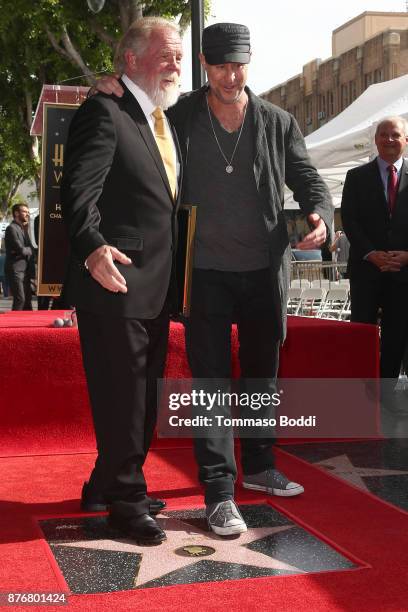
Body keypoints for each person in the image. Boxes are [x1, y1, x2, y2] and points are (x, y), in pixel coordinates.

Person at [94, 22, 333, 536]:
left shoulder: (276, 121)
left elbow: (308, 177)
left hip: (264, 273)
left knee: (261, 377)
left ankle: (263, 466)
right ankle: (219, 491)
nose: (232, 75)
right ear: (205, 66)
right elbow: (129, 112)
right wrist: (104, 82)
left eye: (240, 65)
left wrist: (320, 214)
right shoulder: (178, 116)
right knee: (210, 384)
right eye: (222, 65)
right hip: (201, 274)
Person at [61, 17, 183, 544]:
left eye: (179, 56)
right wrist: (91, 249)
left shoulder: (161, 116)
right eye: (167, 55)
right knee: (126, 399)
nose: (177, 65)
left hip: (155, 288)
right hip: (115, 282)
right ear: (131, 60)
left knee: (138, 397)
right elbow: (77, 191)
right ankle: (126, 502)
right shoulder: (103, 111)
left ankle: (104, 482)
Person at [341, 116, 408, 415]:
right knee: (362, 330)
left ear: (406, 140)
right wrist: (371, 253)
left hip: (403, 271)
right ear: (376, 140)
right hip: (367, 270)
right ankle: (362, 394)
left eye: (395, 135)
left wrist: (406, 255)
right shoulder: (357, 177)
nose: (389, 140)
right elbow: (350, 221)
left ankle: (387, 393)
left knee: (397, 333)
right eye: (384, 135)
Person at [4, 203, 34, 310]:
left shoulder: (23, 229)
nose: (27, 214)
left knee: (27, 300)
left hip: (25, 270)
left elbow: (26, 249)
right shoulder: (11, 228)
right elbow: (21, 249)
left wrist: (30, 250)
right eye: (25, 211)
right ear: (16, 213)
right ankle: (13, 325)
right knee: (20, 299)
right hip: (15, 270)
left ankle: (29, 324)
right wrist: (33, 250)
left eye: (28, 212)